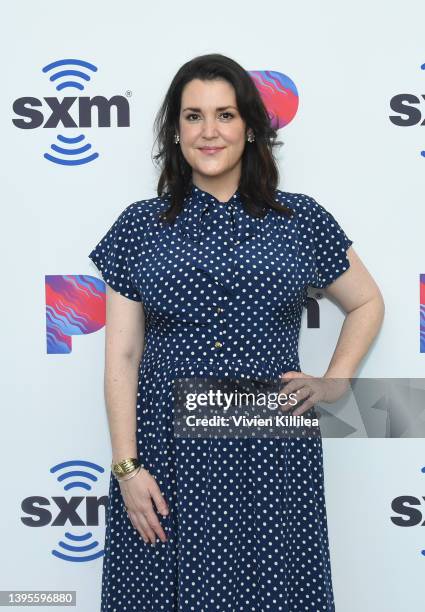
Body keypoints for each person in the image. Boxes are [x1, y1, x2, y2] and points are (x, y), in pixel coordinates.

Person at [88, 53, 385, 611]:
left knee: (275, 591)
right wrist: (127, 467)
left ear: (250, 127)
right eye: (193, 116)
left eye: (224, 114)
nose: (209, 131)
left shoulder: (301, 220)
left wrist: (335, 382)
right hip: (166, 450)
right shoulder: (138, 227)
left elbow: (367, 301)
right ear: (174, 132)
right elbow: (122, 356)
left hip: (269, 446)